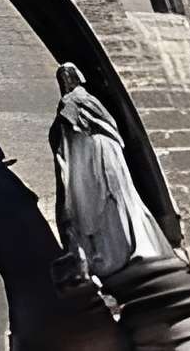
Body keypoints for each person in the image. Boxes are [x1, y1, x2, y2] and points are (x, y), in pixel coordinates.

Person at [50, 62, 171, 285]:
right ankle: (135, 242)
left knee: (106, 198)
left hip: (96, 154)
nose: (65, 81)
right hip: (107, 150)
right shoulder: (90, 99)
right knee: (120, 196)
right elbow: (109, 123)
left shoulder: (71, 100)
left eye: (65, 77)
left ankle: (119, 249)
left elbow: (66, 124)